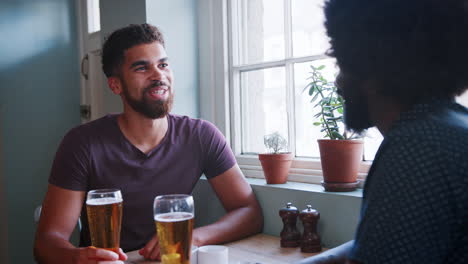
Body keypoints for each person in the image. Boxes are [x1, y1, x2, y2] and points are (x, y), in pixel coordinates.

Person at [33, 23, 263, 264]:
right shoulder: (82, 144)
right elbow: (47, 242)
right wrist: (77, 257)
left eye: (163, 64)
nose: (158, 75)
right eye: (142, 68)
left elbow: (249, 212)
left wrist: (195, 238)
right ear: (116, 85)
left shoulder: (202, 136)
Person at [298, 0, 468, 263]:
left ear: (371, 69)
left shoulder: (416, 148)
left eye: (343, 63)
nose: (338, 81)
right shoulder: (450, 128)